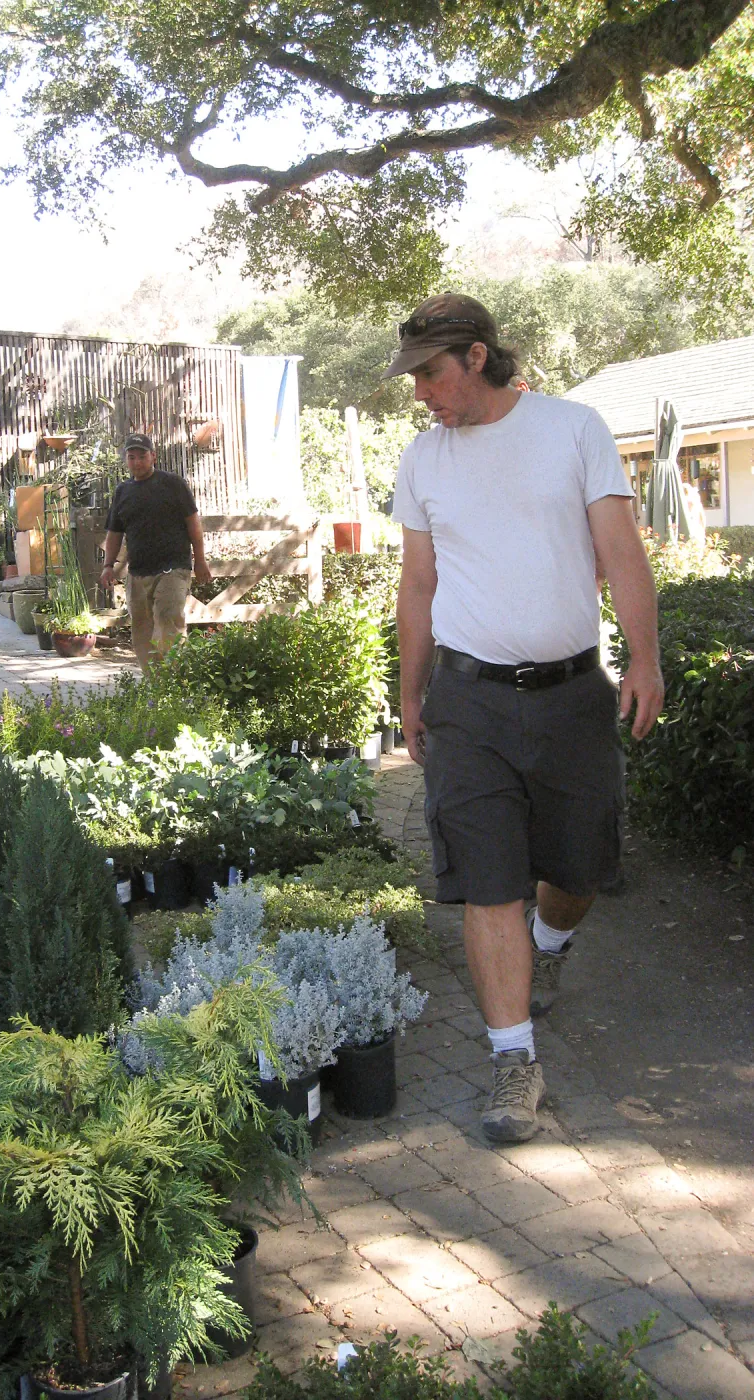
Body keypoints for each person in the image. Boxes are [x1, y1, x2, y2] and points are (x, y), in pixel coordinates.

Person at [387, 293, 664, 1144]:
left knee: (579, 869)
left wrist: (645, 658)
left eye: (432, 372)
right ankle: (513, 1060)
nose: (423, 392)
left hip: (572, 696)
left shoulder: (572, 429)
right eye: (415, 378)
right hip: (468, 700)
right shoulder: (422, 461)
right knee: (486, 876)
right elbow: (419, 585)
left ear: (476, 356)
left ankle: (551, 940)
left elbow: (622, 554)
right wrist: (410, 690)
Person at [100, 433, 212, 669]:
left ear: (153, 456)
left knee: (167, 617)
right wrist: (108, 566)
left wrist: (200, 560)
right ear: (126, 460)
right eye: (132, 457)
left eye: (142, 456)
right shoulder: (123, 492)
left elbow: (193, 523)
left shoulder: (173, 485)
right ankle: (156, 690)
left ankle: (174, 682)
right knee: (142, 630)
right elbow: (114, 533)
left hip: (173, 568)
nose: (137, 462)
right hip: (138, 572)